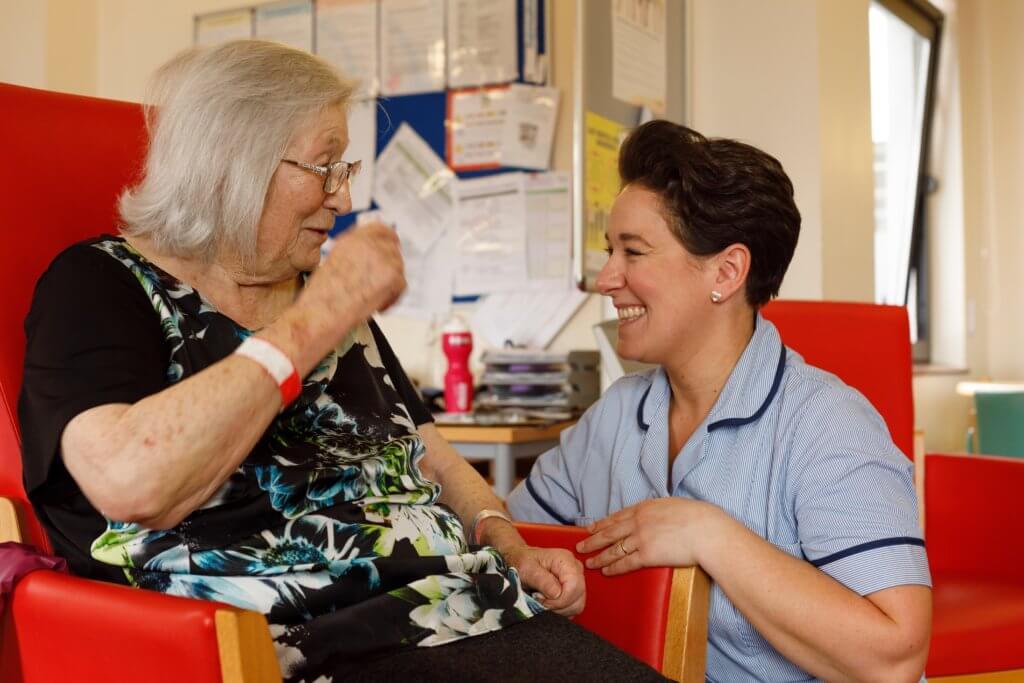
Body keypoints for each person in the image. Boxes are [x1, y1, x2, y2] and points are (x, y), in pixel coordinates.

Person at [18, 40, 668, 682]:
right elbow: (131, 481)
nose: (344, 199)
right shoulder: (101, 286)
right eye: (325, 167)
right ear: (231, 163)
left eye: (345, 170)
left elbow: (429, 453)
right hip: (316, 644)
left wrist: (505, 537)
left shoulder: (318, 294)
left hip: (474, 610)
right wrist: (318, 318)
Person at [507, 121, 932, 682]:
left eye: (632, 252)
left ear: (726, 272)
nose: (607, 278)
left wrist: (710, 536)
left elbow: (895, 658)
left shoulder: (827, 425)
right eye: (611, 251)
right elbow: (509, 542)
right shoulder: (614, 416)